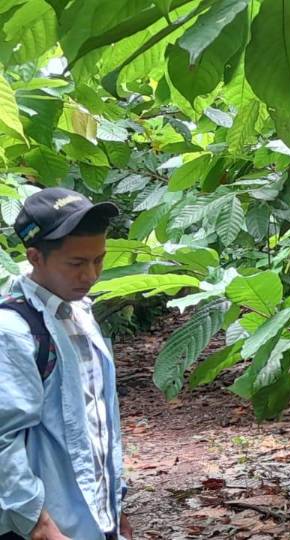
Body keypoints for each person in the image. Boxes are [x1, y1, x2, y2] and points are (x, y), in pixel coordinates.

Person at [0, 188, 131, 540]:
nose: (90, 275)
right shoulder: (12, 331)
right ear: (35, 257)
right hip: (47, 526)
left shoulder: (80, 313)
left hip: (95, 518)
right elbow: (3, 440)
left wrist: (117, 505)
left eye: (98, 260)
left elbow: (99, 419)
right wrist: (39, 524)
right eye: (76, 264)